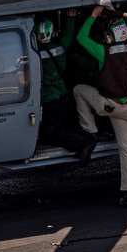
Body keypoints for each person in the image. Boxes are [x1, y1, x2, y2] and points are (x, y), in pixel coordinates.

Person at [73, 3, 127, 206]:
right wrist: (116, 14)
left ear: (108, 37)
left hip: (107, 105)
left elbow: (81, 38)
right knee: (126, 148)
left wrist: (94, 15)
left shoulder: (104, 52)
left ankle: (90, 131)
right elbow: (125, 36)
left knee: (78, 90)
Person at [35, 9, 80, 150]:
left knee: (50, 132)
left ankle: (82, 143)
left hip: (45, 100)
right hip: (59, 95)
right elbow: (69, 36)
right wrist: (71, 18)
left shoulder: (32, 51)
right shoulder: (59, 47)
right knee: (58, 129)